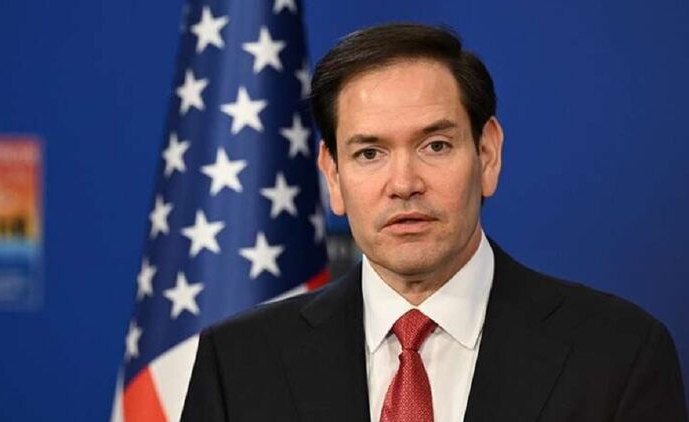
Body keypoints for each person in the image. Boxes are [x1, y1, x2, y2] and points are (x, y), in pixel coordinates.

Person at [180, 23, 687, 421]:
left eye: (435, 146)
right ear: (332, 175)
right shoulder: (238, 363)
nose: (404, 184)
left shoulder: (618, 355)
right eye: (369, 153)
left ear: (487, 154)